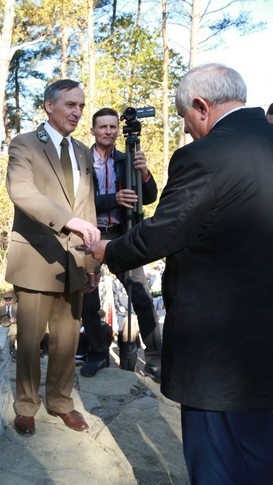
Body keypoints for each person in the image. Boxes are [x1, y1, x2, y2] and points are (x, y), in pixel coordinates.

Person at [87, 63, 273, 483]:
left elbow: (164, 231)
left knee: (214, 457)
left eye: (185, 118)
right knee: (254, 446)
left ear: (201, 105)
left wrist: (107, 250)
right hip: (267, 335)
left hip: (215, 344)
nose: (189, 129)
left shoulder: (203, 156)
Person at [5, 78, 101, 436]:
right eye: (70, 105)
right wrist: (67, 221)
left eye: (81, 106)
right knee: (30, 341)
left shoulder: (82, 152)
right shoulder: (25, 144)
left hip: (75, 260)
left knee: (67, 340)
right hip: (36, 258)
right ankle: (26, 405)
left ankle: (61, 401)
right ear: (49, 106)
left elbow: (87, 207)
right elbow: (21, 192)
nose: (77, 112)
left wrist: (92, 263)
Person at [79, 108, 163, 381]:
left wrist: (144, 172)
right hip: (88, 234)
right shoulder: (80, 161)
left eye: (112, 127)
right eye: (102, 126)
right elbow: (74, 202)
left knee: (140, 294)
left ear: (118, 129)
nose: (108, 131)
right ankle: (97, 353)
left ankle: (155, 359)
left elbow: (149, 198)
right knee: (87, 298)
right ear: (92, 130)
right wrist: (114, 198)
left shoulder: (126, 160)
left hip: (120, 234)